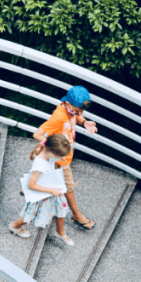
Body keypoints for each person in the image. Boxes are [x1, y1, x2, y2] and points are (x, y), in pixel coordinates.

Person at [32, 85, 98, 230]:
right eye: (76, 110)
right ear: (67, 104)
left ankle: (32, 193)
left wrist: (84, 122)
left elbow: (77, 115)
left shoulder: (70, 110)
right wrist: (53, 149)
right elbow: (37, 134)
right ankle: (77, 215)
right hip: (61, 161)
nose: (79, 113)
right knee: (68, 187)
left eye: (81, 111)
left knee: (50, 183)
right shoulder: (59, 117)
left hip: (63, 158)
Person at [9, 134, 74, 246]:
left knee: (61, 210)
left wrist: (58, 158)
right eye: (58, 156)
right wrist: (51, 191)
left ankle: (60, 232)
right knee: (31, 214)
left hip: (49, 188)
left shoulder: (47, 154)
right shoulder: (39, 164)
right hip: (42, 194)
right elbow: (31, 185)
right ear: (51, 152)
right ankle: (15, 226)